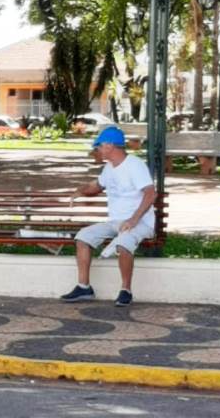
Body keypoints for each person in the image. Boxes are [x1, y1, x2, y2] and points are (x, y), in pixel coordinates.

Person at [60, 126, 156, 307]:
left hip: (140, 223)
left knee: (123, 243)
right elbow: (96, 187)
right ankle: (84, 287)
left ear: (110, 145)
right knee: (83, 237)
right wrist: (80, 190)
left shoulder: (135, 165)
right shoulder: (109, 167)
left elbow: (151, 194)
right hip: (115, 223)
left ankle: (125, 290)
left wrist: (133, 220)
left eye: (99, 146)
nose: (97, 150)